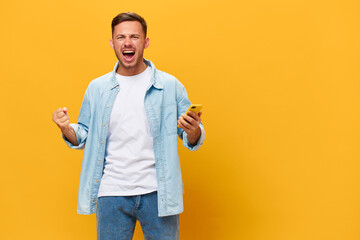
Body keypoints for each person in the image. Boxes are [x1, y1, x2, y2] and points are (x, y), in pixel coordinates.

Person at [52, 12, 205, 240]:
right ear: (112, 43)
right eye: (121, 37)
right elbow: (82, 135)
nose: (127, 42)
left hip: (158, 192)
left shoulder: (169, 85)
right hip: (112, 192)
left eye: (134, 36)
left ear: (146, 42)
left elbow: (190, 134)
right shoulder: (97, 88)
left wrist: (194, 132)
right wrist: (66, 128)